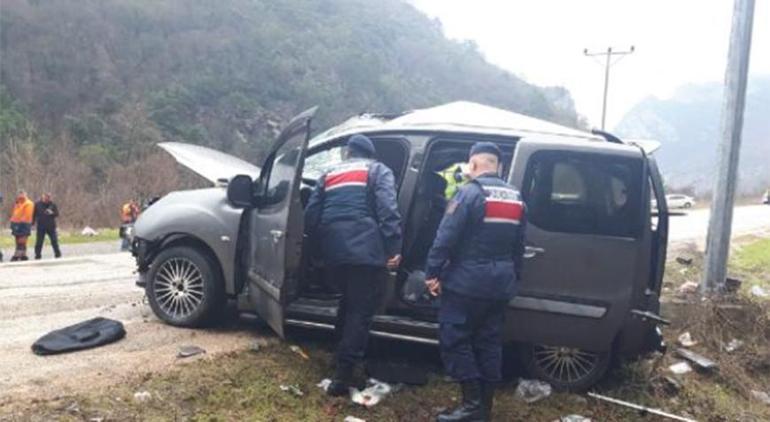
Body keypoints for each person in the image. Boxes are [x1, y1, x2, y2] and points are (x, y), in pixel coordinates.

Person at [425, 142, 526, 422]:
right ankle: (485, 408)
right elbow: (519, 246)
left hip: (467, 283)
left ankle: (470, 406)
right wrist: (513, 278)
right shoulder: (516, 198)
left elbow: (446, 237)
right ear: (498, 166)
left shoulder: (468, 194)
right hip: (501, 284)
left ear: (472, 165)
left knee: (455, 337)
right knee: (489, 343)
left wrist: (432, 272)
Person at [304, 134, 403, 396]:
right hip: (366, 252)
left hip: (334, 252)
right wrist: (393, 247)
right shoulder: (378, 170)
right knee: (360, 312)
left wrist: (316, 249)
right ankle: (343, 377)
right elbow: (388, 209)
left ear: (349, 153)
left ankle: (338, 360)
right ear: (370, 154)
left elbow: (312, 214)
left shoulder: (329, 174)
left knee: (346, 304)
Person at [33, 193, 61, 259]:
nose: (46, 199)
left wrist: (52, 213)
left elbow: (57, 214)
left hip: (51, 226)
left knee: (54, 240)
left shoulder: (53, 204)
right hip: (41, 226)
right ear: (42, 197)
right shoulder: (37, 204)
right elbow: (34, 214)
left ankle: (57, 253)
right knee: (39, 241)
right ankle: (38, 255)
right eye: (45, 197)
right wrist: (32, 222)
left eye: (48, 198)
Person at [10, 190, 35, 261]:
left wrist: (20, 222)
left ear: (25, 195)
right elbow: (14, 213)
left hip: (24, 223)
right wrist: (12, 221)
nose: (20, 196)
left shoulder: (29, 203)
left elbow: (27, 215)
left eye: (22, 195)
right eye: (19, 195)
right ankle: (23, 255)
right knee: (17, 239)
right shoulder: (17, 203)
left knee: (22, 240)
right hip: (15, 223)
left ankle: (17, 255)